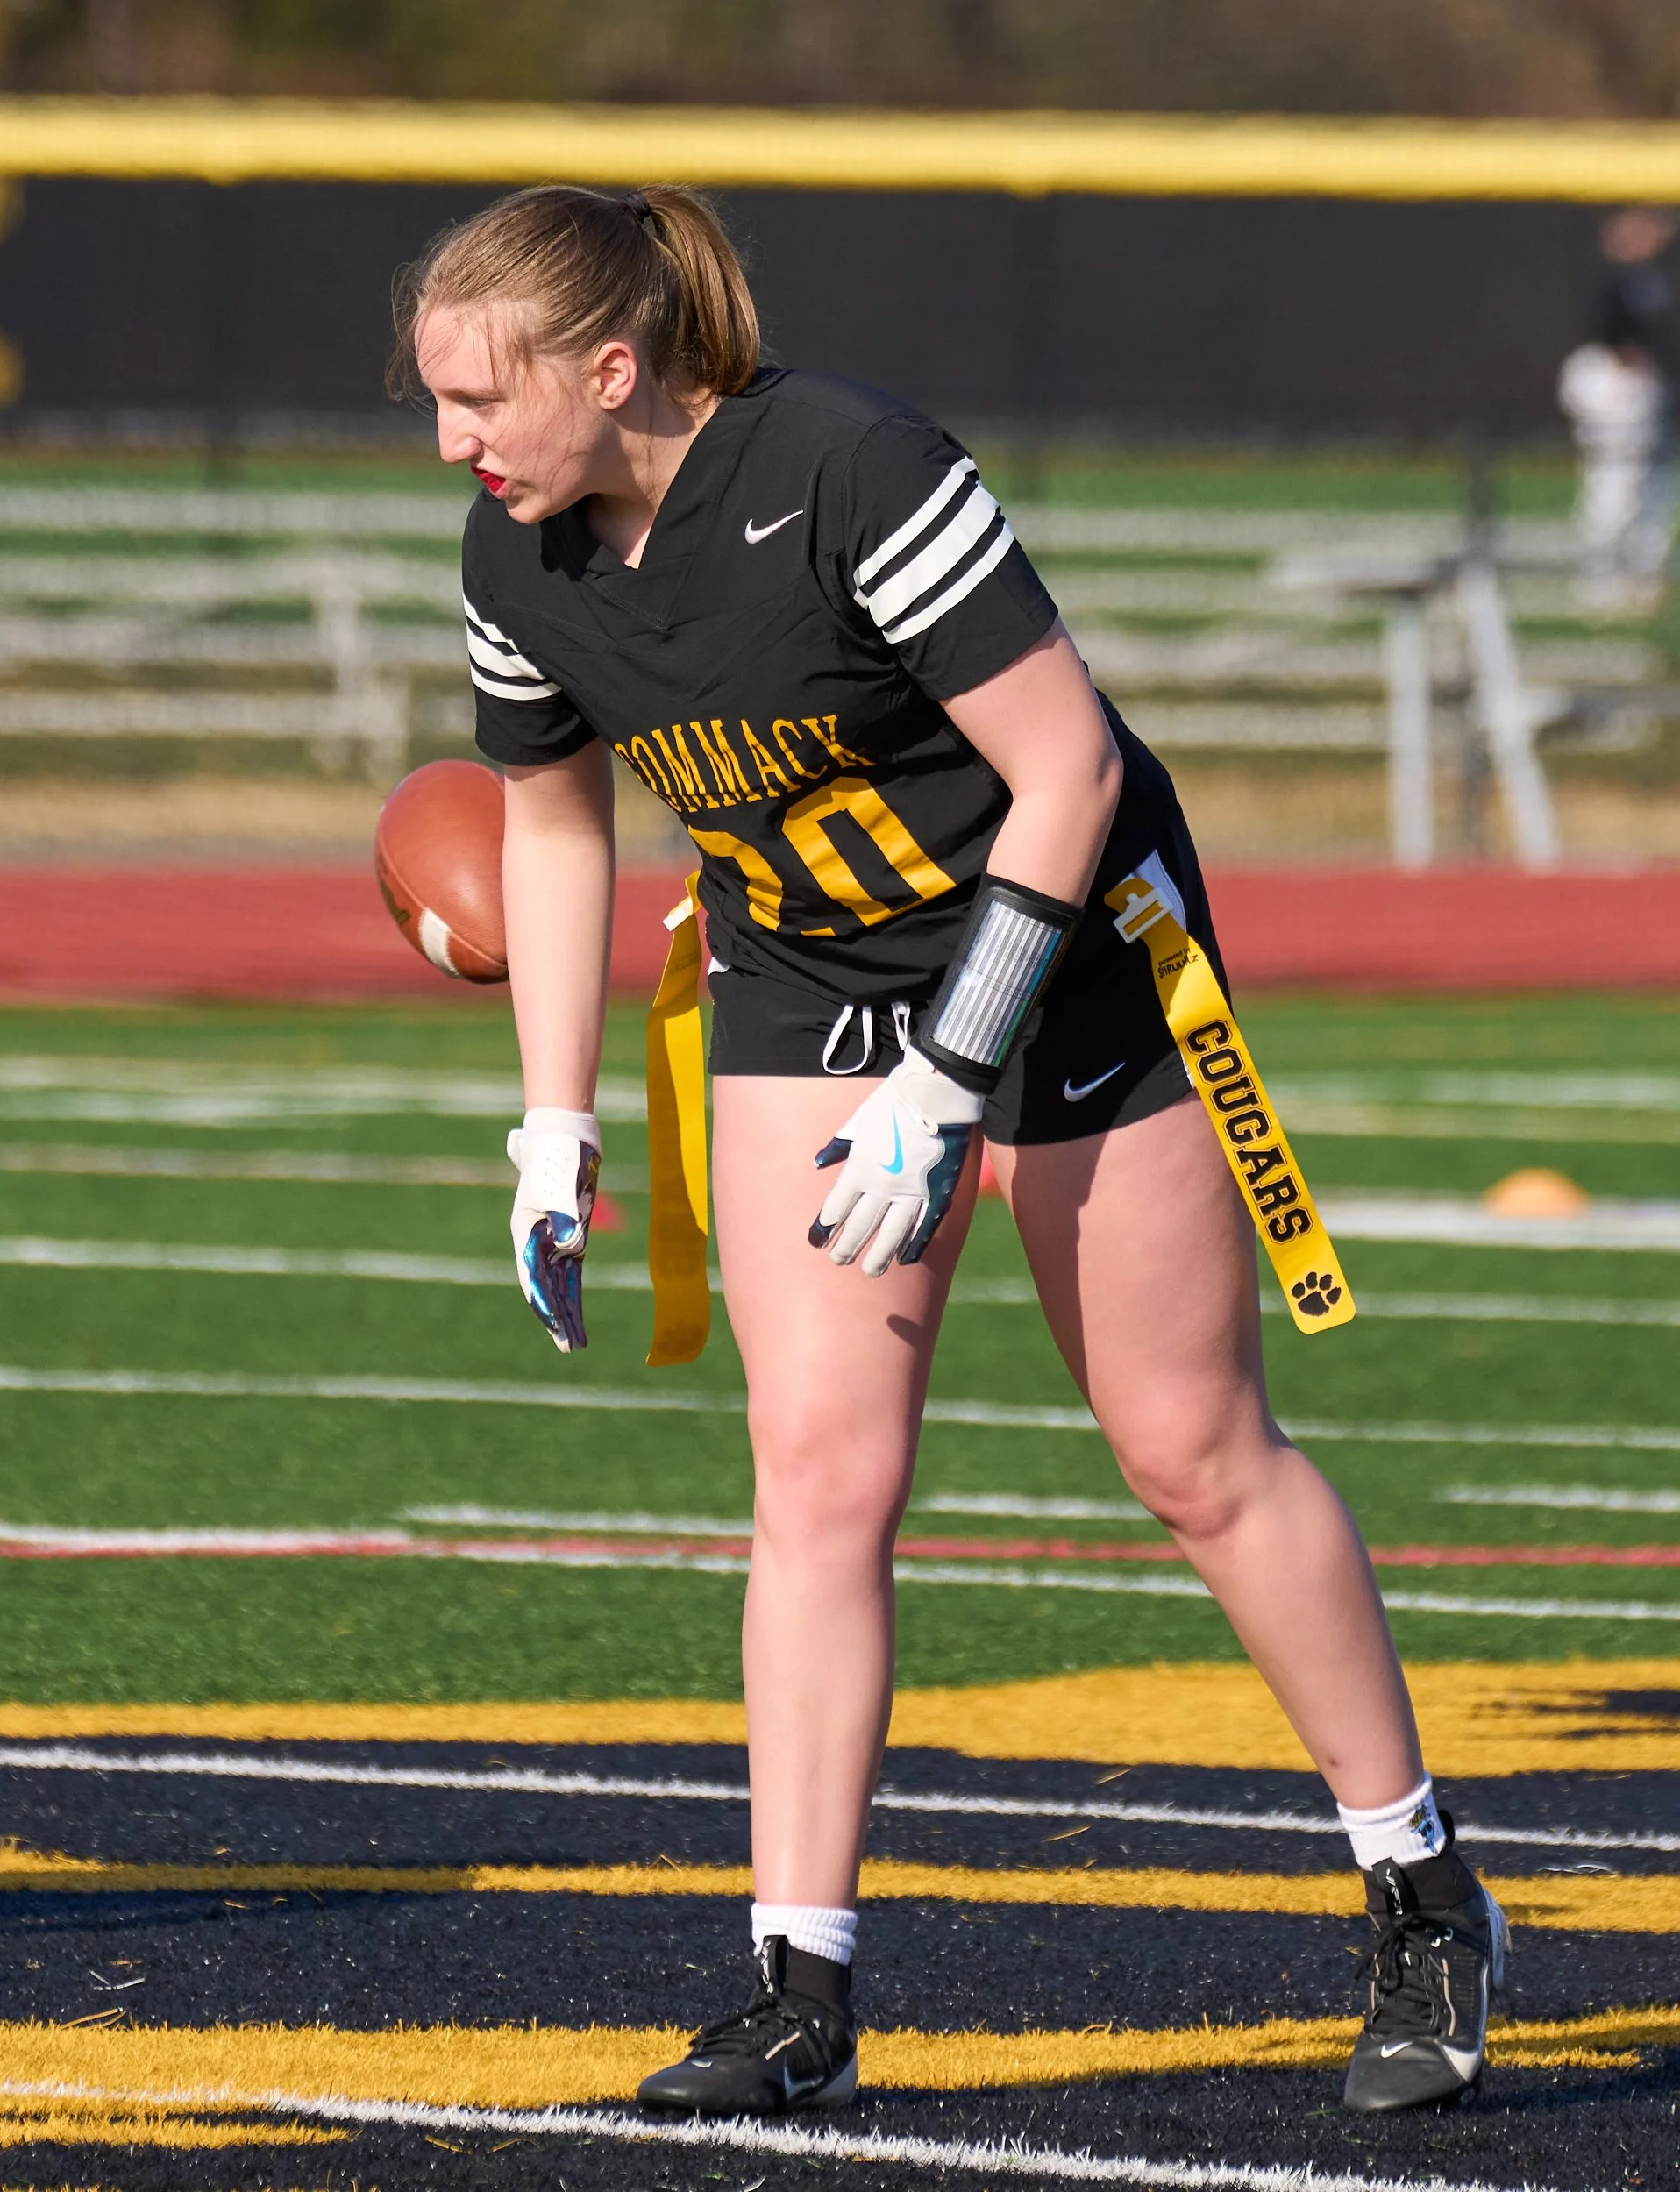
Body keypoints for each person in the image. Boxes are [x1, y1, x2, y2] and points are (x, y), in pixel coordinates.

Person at [394, 181, 1508, 2119]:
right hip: (803, 967)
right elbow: (553, 827)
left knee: (1190, 1450)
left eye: (479, 397)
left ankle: (1421, 1888)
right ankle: (799, 1985)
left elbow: (1068, 768)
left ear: (612, 366)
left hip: (1066, 943)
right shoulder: (520, 555)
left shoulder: (849, 470)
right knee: (819, 1471)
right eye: (433, 398)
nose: (450, 442)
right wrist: (550, 1125)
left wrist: (946, 1076)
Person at [1558, 205, 1678, 615]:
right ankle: (1598, 576)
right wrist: (1626, 357)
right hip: (1611, 379)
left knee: (1649, 481)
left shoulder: (1651, 278)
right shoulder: (1609, 278)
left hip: (1641, 383)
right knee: (1615, 478)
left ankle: (1639, 572)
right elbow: (1608, 333)